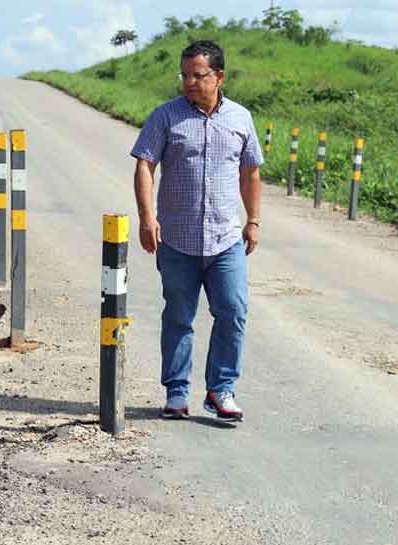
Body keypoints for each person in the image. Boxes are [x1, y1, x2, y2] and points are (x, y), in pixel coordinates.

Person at [130, 40, 263, 422]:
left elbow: (250, 171)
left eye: (198, 75)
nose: (189, 82)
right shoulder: (165, 117)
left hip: (225, 241)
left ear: (219, 77)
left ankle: (221, 390)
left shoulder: (241, 118)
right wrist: (146, 217)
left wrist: (253, 220)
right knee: (178, 317)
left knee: (233, 312)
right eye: (185, 74)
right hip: (177, 240)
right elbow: (144, 165)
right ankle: (176, 392)